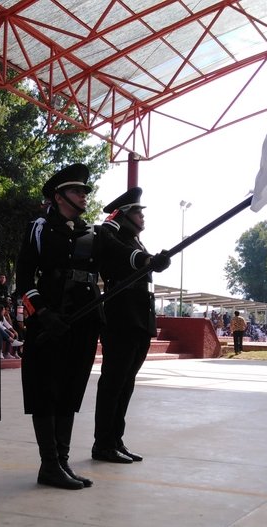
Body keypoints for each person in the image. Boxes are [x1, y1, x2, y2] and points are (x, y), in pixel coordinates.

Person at [16, 164, 170, 489]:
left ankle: (62, 460)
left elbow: (120, 253)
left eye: (85, 191)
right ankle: (49, 464)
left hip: (84, 320)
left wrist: (147, 260)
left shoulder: (93, 233)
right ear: (58, 197)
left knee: (70, 391)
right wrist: (41, 313)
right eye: (77, 191)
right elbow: (24, 277)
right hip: (51, 319)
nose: (84, 196)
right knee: (47, 390)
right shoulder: (40, 227)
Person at [93, 187, 169, 463]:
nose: (142, 216)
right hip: (122, 318)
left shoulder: (135, 241)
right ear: (124, 215)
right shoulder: (113, 238)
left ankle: (115, 439)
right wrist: (148, 261)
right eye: (137, 211)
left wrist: (152, 260)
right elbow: (121, 254)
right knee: (114, 382)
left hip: (138, 319)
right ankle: (102, 443)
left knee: (126, 383)